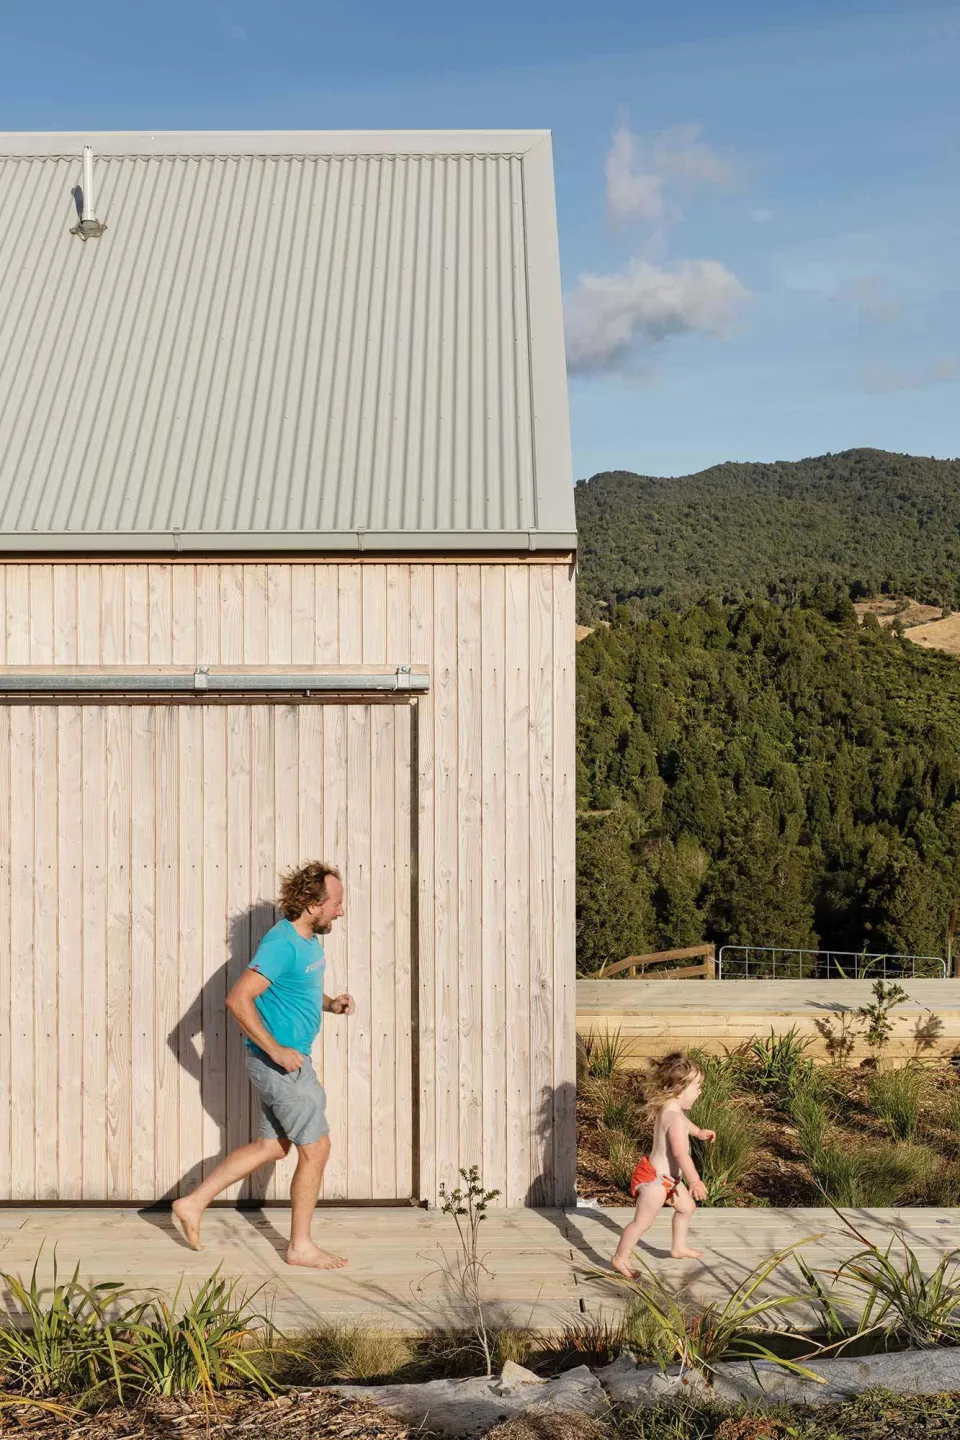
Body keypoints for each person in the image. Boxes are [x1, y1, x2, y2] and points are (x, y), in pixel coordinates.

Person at [172, 861, 354, 1270]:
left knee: (273, 1146)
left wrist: (330, 1004)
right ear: (312, 903)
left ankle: (192, 1201)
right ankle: (300, 1246)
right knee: (317, 1148)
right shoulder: (280, 943)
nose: (341, 911)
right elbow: (239, 999)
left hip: (290, 1061)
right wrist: (274, 1051)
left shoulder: (308, 943)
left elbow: (295, 987)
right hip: (283, 1065)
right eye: (336, 903)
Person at [611, 1052, 715, 1276]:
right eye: (697, 1086)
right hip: (655, 1182)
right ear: (679, 1090)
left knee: (686, 1208)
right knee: (642, 1222)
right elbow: (680, 1154)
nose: (700, 1091)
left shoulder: (670, 1109)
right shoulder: (673, 1118)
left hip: (668, 1180)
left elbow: (685, 1123)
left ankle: (678, 1247)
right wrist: (695, 1180)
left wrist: (698, 1132)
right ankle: (620, 1257)